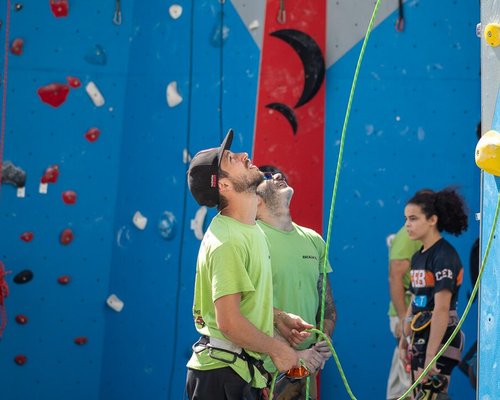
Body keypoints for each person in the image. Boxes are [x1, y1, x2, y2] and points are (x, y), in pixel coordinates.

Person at [185, 130, 326, 400]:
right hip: (220, 377)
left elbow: (239, 305)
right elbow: (228, 322)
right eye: (231, 159)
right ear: (223, 186)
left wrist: (278, 318)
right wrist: (278, 349)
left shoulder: (248, 230)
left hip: (238, 372)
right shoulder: (228, 240)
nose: (243, 155)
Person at [256, 169, 336, 400]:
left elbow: (328, 307)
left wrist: (324, 341)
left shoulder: (313, 240)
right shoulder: (249, 239)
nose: (278, 175)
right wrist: (289, 351)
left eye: (278, 173)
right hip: (263, 372)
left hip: (306, 369)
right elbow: (240, 306)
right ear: (256, 198)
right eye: (267, 175)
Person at [399, 188, 468, 399]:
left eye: (413, 218)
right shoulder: (418, 257)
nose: (407, 225)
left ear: (432, 220)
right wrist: (404, 338)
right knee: (416, 395)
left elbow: (442, 308)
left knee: (433, 395)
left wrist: (432, 355)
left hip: (440, 336)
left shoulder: (444, 256)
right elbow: (415, 299)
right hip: (420, 337)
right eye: (405, 219)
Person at [386, 226, 421, 400]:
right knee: (410, 381)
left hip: (412, 316)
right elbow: (395, 275)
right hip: (409, 317)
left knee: (401, 384)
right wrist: (402, 318)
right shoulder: (409, 236)